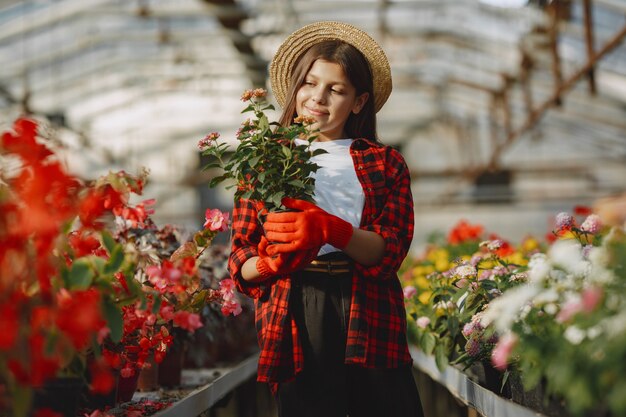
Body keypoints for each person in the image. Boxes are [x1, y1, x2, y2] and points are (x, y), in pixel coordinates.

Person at [228, 21, 424, 417]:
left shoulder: (384, 163)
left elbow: (392, 249)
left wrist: (334, 230)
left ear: (358, 101)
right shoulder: (265, 161)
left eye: (336, 89)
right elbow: (240, 259)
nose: (318, 98)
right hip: (296, 303)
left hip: (367, 305)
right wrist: (268, 263)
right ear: (295, 87)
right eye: (310, 83)